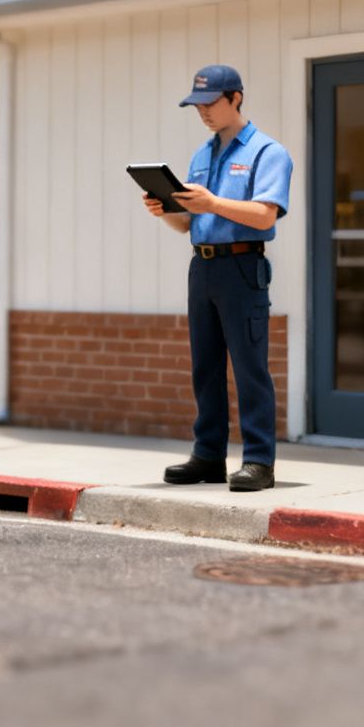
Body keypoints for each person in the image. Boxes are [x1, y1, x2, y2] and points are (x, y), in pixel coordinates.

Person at [143, 65, 293, 492]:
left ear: (236, 98)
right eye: (198, 106)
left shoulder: (268, 153)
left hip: (242, 268)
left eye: (211, 103)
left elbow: (265, 214)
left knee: (249, 367)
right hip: (202, 266)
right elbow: (190, 223)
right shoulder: (201, 155)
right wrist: (167, 210)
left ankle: (259, 461)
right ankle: (208, 455)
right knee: (204, 367)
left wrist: (212, 203)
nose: (204, 112)